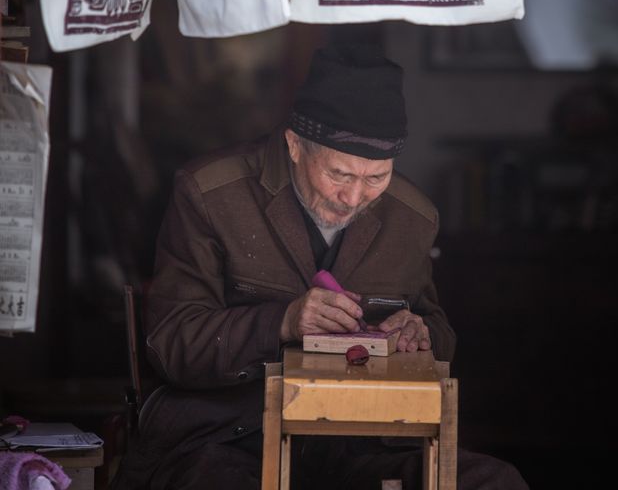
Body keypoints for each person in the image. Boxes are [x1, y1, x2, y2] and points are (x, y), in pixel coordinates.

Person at [113, 43, 529, 490]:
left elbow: (437, 329)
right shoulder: (212, 195)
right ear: (294, 145)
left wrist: (420, 335)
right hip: (232, 435)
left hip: (363, 440)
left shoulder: (413, 217)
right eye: (340, 175)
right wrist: (284, 321)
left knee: (493, 483)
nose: (355, 198)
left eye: (376, 178)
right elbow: (172, 342)